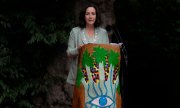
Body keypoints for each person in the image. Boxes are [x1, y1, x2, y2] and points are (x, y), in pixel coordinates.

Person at [65, 3, 109, 97]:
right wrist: (78, 49)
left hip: (97, 77)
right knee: (80, 104)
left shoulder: (103, 33)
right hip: (79, 76)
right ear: (83, 16)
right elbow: (68, 52)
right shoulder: (75, 31)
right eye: (87, 13)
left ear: (96, 16)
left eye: (93, 13)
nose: (90, 16)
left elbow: (106, 55)